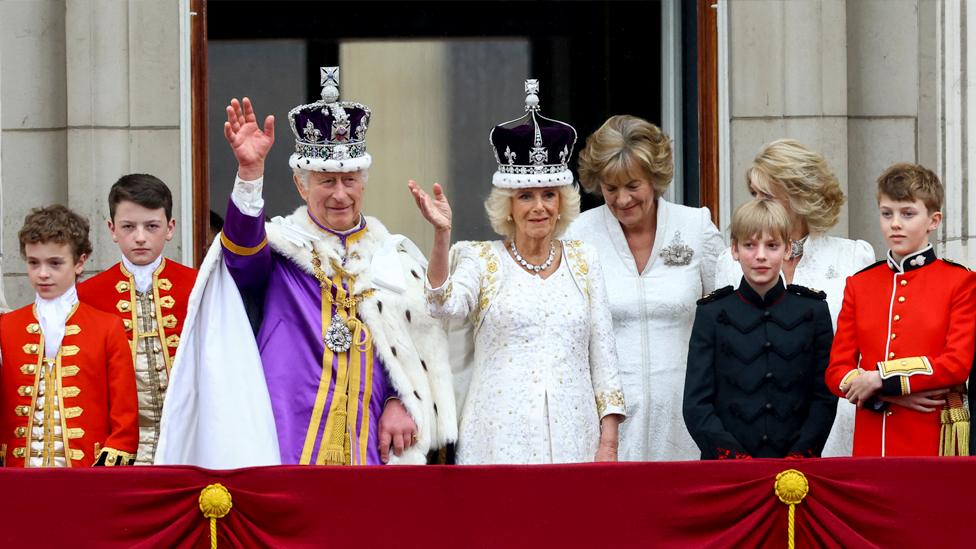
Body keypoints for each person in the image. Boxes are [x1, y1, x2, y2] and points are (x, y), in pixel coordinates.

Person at [156, 66, 456, 468]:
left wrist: (399, 398)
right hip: (285, 437)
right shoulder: (282, 249)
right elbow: (242, 259)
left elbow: (417, 346)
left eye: (349, 180)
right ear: (301, 185)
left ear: (364, 183)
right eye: (325, 181)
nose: (339, 194)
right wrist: (249, 176)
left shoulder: (393, 257)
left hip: (370, 445)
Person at [409, 79, 625, 464]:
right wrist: (442, 235)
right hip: (497, 437)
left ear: (562, 202)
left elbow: (604, 359)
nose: (538, 206)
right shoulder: (481, 259)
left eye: (548, 194)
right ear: (508, 205)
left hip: (575, 435)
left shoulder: (584, 259)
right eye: (526, 196)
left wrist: (608, 445)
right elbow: (442, 304)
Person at [564, 115, 723, 461]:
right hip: (607, 420)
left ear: (655, 178)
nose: (622, 199)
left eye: (633, 186)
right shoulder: (578, 235)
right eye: (610, 187)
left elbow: (725, 318)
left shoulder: (695, 227)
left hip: (687, 412)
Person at [714, 139, 875, 457]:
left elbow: (870, 346)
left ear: (801, 197)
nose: (758, 205)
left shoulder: (853, 257)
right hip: (755, 423)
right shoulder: (730, 262)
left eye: (767, 196)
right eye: (753, 195)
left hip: (835, 420)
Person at [826, 163, 976, 457]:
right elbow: (836, 370)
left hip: (931, 435)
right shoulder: (860, 284)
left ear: (934, 220)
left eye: (907, 213)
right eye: (887, 213)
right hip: (872, 437)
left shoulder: (961, 282)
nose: (895, 223)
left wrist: (881, 378)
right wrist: (887, 394)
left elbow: (956, 363)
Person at [683, 199, 836, 459]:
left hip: (796, 467)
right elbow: (696, 403)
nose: (761, 255)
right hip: (728, 467)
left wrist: (800, 454)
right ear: (734, 250)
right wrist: (733, 457)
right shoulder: (712, 313)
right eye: (750, 245)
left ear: (788, 249)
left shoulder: (813, 311)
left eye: (772, 245)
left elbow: (824, 396)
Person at [1, 205, 138, 467]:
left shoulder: (107, 327)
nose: (42, 273)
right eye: (33, 263)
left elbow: (125, 418)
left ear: (80, 262)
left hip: (87, 475)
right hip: (16, 478)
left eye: (55, 263)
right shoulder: (6, 326)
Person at [77, 174, 197, 465]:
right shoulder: (86, 295)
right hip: (116, 450)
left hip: (188, 444)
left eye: (151, 226)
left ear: (170, 228)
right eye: (128, 227)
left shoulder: (198, 286)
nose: (140, 237)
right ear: (112, 229)